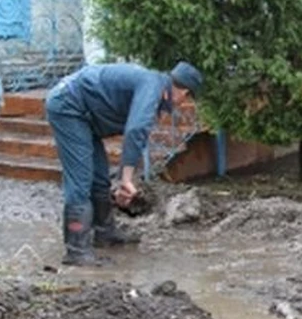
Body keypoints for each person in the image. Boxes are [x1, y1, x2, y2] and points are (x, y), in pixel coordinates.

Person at [45, 61, 203, 266]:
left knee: (99, 176)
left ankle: (105, 233)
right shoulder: (152, 86)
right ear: (180, 91)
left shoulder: (153, 85)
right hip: (68, 105)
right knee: (81, 179)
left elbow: (138, 134)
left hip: (84, 115)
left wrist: (123, 178)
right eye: (187, 96)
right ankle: (76, 251)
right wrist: (125, 179)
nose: (183, 103)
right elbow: (136, 130)